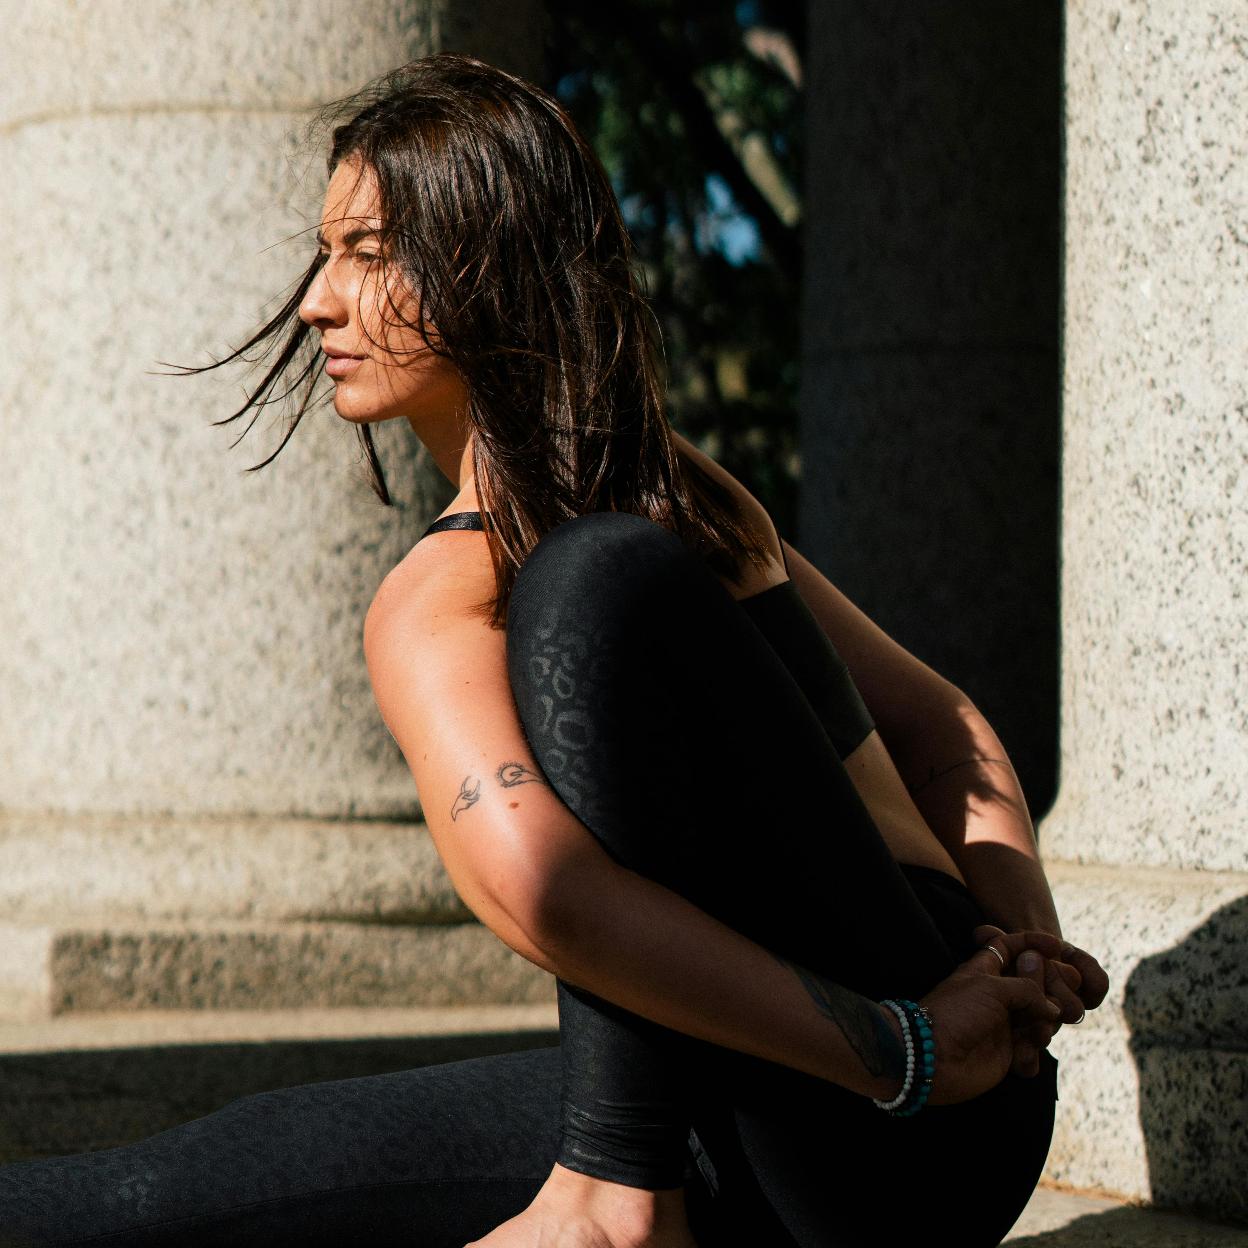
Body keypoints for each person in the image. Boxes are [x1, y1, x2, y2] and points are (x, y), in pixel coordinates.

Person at [0, 53, 1107, 1248]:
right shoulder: (677, 504)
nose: (320, 299)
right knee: (212, 1175)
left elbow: (550, 892)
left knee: (587, 571)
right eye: (327, 253)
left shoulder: (537, 563)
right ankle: (615, 1182)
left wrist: (984, 987)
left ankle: (613, 1198)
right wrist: (958, 1008)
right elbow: (948, 742)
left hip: (902, 1110)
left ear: (493, 264)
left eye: (371, 253)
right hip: (854, 1104)